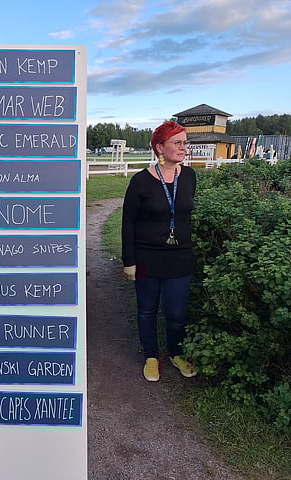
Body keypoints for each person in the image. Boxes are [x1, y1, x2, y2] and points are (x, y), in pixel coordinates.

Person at [121, 121, 197, 382]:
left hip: (180, 258)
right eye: (177, 142)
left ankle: (176, 353)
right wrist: (129, 261)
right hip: (147, 258)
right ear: (159, 148)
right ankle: (151, 356)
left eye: (185, 142)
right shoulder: (140, 182)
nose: (183, 147)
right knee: (147, 310)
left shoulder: (189, 177)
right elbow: (128, 224)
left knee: (177, 313)